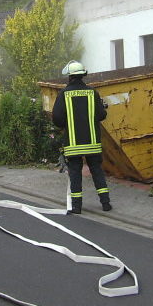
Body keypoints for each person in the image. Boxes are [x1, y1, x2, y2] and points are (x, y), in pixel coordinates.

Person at [51, 60, 111, 214]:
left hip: (73, 144)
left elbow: (57, 119)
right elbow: (101, 115)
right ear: (83, 75)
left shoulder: (63, 94)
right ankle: (106, 203)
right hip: (92, 143)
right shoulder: (92, 93)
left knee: (75, 173)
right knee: (97, 171)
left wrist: (65, 124)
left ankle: (77, 207)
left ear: (70, 77)